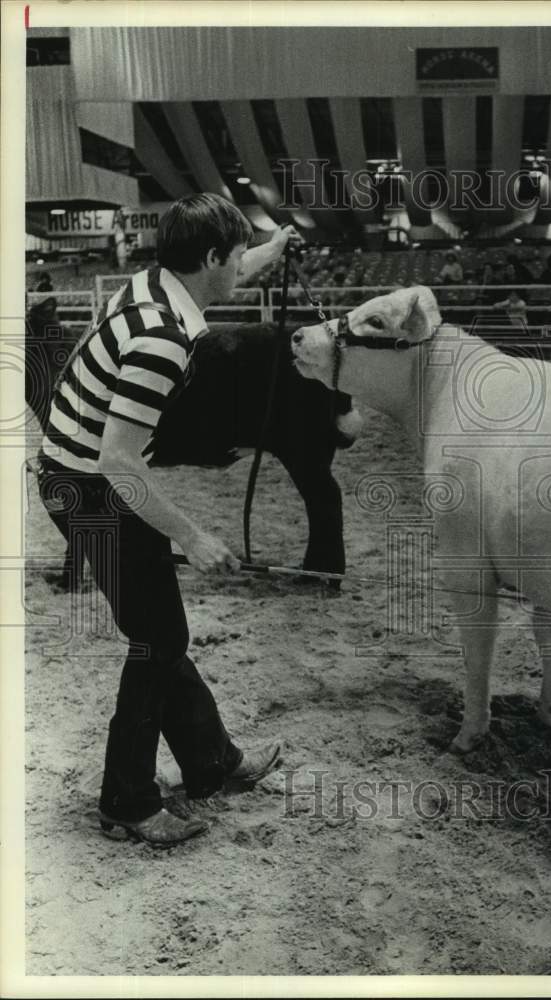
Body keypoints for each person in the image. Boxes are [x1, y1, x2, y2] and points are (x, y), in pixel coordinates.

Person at [37, 193, 302, 846]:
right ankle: (126, 800)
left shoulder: (156, 280)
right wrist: (193, 534)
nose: (243, 268)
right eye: (238, 258)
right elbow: (121, 463)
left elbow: (234, 261)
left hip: (79, 474)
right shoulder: (160, 338)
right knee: (156, 641)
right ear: (212, 259)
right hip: (89, 487)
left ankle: (215, 763)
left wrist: (275, 248)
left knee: (162, 634)